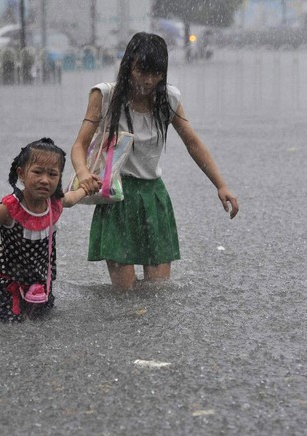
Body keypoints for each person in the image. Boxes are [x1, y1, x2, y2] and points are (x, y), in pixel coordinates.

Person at [70, 32, 239, 291]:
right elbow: (79, 145)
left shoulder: (168, 99)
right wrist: (82, 173)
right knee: (124, 296)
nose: (148, 80)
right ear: (129, 65)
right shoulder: (105, 96)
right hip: (117, 199)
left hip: (154, 199)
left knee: (157, 293)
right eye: (141, 71)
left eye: (156, 73)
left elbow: (192, 142)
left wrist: (221, 185)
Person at [0, 138, 96, 322]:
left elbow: (72, 197)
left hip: (42, 284)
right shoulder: (9, 209)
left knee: (42, 325)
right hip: (9, 285)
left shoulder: (54, 203)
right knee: (9, 327)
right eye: (37, 172)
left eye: (52, 174)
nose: (45, 180)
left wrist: (87, 188)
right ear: (21, 173)